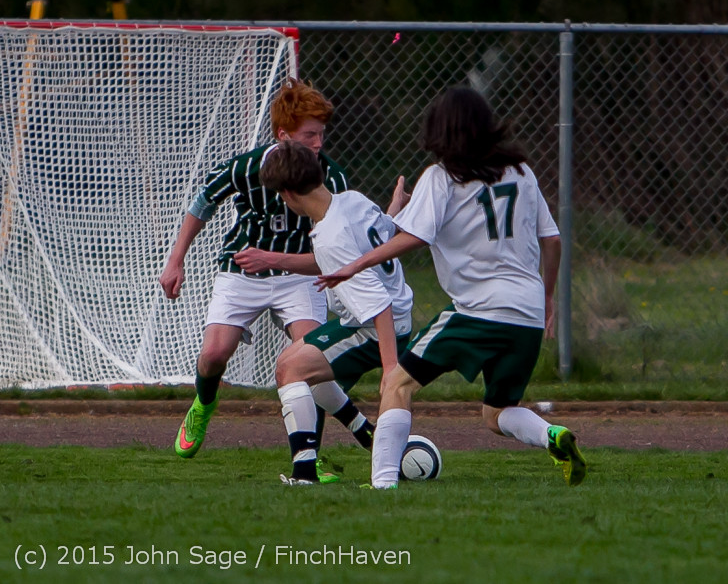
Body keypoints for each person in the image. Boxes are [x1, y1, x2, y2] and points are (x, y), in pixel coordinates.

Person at [316, 86, 587, 489]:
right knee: (497, 413)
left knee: (397, 383)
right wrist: (547, 298)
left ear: (440, 129)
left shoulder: (441, 177)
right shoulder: (521, 172)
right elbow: (553, 241)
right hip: (526, 314)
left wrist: (356, 264)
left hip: (477, 310)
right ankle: (552, 434)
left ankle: (382, 484)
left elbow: (412, 238)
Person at [159, 79, 383, 479]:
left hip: (298, 274)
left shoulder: (332, 177)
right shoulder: (248, 166)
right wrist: (176, 260)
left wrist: (277, 259)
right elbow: (202, 203)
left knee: (309, 360)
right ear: (283, 136)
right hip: (244, 268)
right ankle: (203, 404)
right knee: (213, 356)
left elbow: (333, 253)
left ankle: (308, 461)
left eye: (321, 135)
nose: (318, 143)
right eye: (309, 135)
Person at [257, 140, 413, 485]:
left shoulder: (330, 236)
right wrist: (395, 209)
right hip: (380, 317)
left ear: (288, 194)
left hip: (377, 329)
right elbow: (383, 236)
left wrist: (391, 371)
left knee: (291, 371)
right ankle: (363, 432)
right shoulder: (352, 200)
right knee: (291, 363)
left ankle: (304, 475)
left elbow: (378, 306)